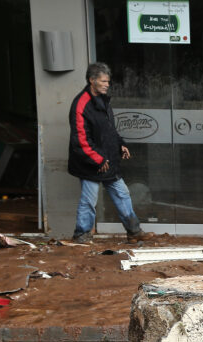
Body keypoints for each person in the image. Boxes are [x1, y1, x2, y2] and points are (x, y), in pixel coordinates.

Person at [67, 62, 144, 243]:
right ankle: (81, 235)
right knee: (89, 200)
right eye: (103, 81)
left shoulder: (103, 100)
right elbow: (80, 141)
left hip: (108, 161)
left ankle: (134, 231)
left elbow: (109, 130)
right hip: (91, 164)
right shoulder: (81, 104)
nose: (107, 84)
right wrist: (98, 160)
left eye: (108, 81)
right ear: (91, 80)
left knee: (122, 194)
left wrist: (120, 144)